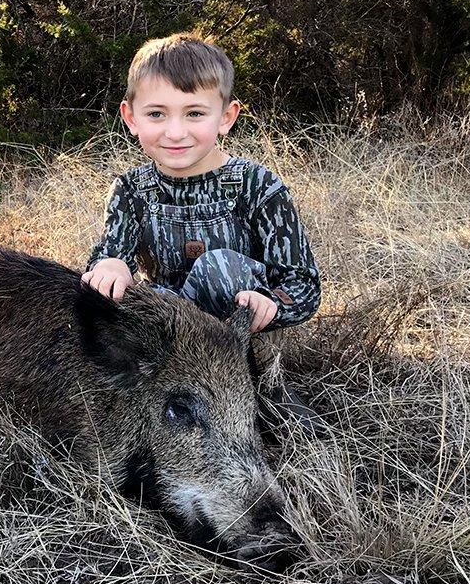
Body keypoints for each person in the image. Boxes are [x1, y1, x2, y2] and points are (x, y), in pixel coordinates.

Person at [82, 33, 320, 408]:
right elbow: (110, 258)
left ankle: (265, 403)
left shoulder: (259, 185)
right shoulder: (130, 190)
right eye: (156, 114)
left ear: (226, 117)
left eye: (194, 113)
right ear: (130, 117)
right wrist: (110, 266)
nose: (175, 132)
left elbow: (303, 284)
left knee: (217, 267)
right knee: (124, 300)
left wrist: (272, 303)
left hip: (242, 341)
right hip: (169, 339)